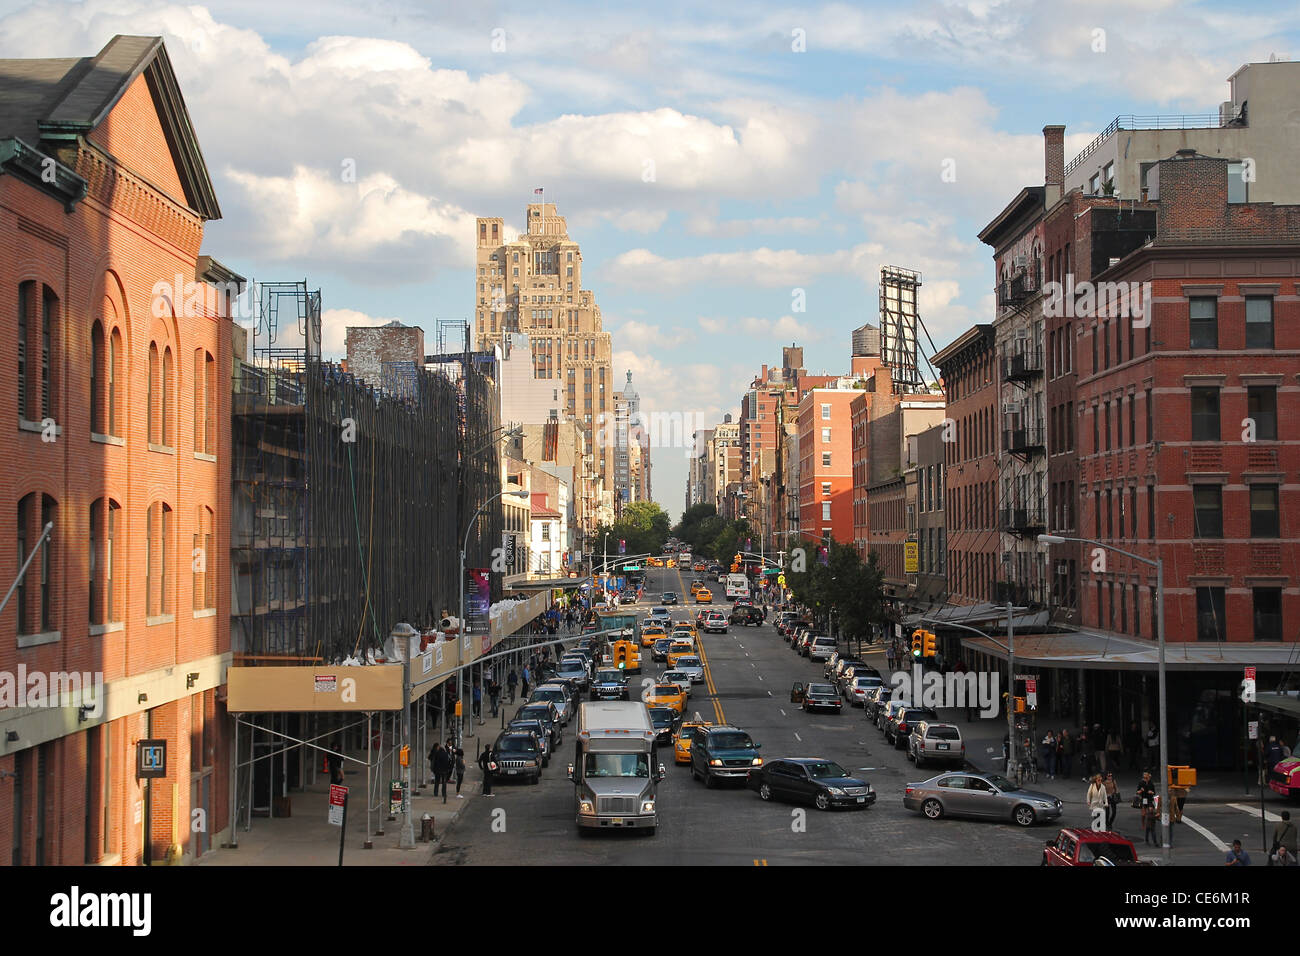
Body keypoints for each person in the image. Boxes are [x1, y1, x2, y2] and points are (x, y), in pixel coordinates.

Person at [1135, 771, 1158, 845]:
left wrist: (1152, 792)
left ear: (1148, 777)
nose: (1145, 779)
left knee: (1150, 811)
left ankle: (1149, 823)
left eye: (1146, 777)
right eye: (1144, 777)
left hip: (1149, 799)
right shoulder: (1141, 783)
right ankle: (1143, 824)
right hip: (1144, 798)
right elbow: (1137, 792)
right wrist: (1140, 791)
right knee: (1143, 813)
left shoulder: (1151, 783)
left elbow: (1154, 792)